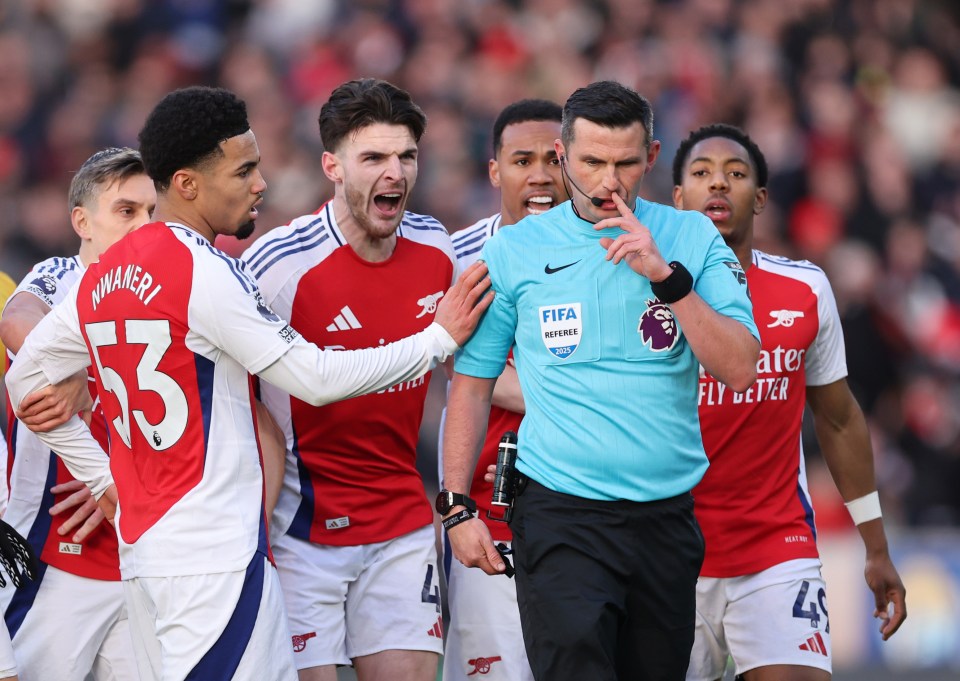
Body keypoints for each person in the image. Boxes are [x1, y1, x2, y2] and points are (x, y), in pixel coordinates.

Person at [4, 85, 492, 681]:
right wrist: (436, 341)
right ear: (189, 185)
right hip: (215, 557)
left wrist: (106, 477)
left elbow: (27, 375)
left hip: (146, 555)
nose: (260, 184)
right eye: (244, 170)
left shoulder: (106, 272)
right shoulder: (205, 273)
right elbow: (313, 377)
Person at [441, 80, 760, 681]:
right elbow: (473, 382)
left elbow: (740, 368)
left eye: (624, 164)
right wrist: (457, 506)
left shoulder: (692, 238)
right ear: (563, 156)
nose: (609, 181)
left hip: (665, 518)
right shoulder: (516, 249)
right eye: (591, 162)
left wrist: (665, 277)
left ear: (653, 157)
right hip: (562, 514)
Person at [242, 77, 462, 681]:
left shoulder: (436, 249)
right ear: (332, 166)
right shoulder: (278, 266)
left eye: (406, 157)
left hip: (400, 523)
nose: (395, 173)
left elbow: (468, 372)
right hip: (299, 530)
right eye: (374, 158)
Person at [671, 123, 907, 681]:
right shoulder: (641, 292)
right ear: (677, 199)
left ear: (761, 197)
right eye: (701, 174)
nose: (718, 186)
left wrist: (874, 547)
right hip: (668, 548)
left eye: (736, 174)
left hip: (777, 545)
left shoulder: (805, 290)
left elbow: (839, 416)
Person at [0, 147, 155, 681]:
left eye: (151, 212)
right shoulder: (59, 276)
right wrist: (81, 375)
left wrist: (118, 479)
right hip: (50, 552)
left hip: (141, 558)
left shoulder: (172, 294)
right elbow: (17, 321)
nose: (143, 226)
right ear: (82, 222)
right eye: (126, 211)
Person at [440, 98, 566, 681]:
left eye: (554, 158)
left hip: (587, 511)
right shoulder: (456, 260)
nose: (539, 175)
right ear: (495, 171)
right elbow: (460, 372)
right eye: (522, 160)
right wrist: (588, 400)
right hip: (488, 517)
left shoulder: (612, 251)